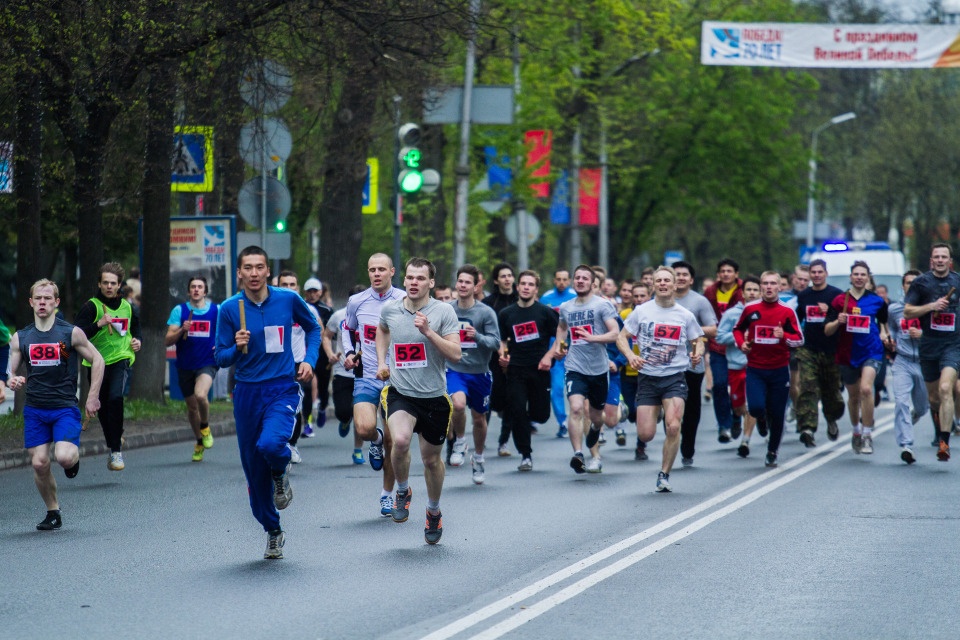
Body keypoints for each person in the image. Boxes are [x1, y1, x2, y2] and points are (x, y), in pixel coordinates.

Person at [215, 246, 321, 559]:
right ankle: (273, 530)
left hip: (282, 387)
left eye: (259, 267)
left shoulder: (287, 299)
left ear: (267, 271)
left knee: (272, 444)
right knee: (253, 476)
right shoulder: (229, 309)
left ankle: (280, 472)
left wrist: (309, 359)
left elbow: (313, 327)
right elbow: (220, 358)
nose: (254, 273)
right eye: (247, 267)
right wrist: (236, 347)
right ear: (239, 273)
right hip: (247, 393)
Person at [6, 279, 105, 530]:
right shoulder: (21, 337)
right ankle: (53, 511)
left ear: (56, 303)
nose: (42, 302)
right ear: (30, 302)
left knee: (63, 457)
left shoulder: (69, 333)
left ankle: (72, 460)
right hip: (36, 409)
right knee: (39, 463)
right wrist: (12, 379)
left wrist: (92, 396)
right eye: (38, 298)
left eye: (48, 298)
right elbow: (10, 370)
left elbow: (98, 360)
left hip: (64, 407)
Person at [376, 257, 460, 545]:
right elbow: (382, 329)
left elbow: (456, 354)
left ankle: (433, 511)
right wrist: (381, 361)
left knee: (431, 459)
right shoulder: (391, 310)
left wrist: (428, 332)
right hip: (401, 392)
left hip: (434, 397)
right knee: (399, 441)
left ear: (431, 283)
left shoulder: (443, 311)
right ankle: (402, 489)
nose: (413, 282)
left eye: (420, 278)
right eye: (410, 277)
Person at [616, 266, 704, 492]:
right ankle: (660, 410)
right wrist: (630, 355)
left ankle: (664, 474)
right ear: (653, 285)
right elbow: (621, 337)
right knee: (646, 434)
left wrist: (697, 352)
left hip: (674, 377)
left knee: (674, 427)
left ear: (675, 285)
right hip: (647, 378)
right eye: (659, 281)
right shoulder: (642, 311)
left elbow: (698, 340)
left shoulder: (685, 315)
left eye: (667, 280)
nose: (663, 284)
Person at [341, 253, 406, 516]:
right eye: (372, 270)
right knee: (364, 428)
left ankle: (387, 495)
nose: (376, 274)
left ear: (392, 272)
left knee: (394, 440)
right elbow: (348, 329)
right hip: (366, 373)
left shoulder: (404, 300)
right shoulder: (357, 301)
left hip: (398, 379)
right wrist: (348, 353)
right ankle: (374, 440)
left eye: (381, 269)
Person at [549, 264, 620, 473]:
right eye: (577, 278)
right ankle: (578, 454)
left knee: (597, 417)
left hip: (598, 369)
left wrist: (592, 338)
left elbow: (615, 333)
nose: (580, 281)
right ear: (573, 281)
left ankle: (597, 429)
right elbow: (562, 328)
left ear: (592, 283)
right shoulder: (566, 307)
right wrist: (560, 348)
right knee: (577, 408)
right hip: (574, 366)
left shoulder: (602, 306)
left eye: (584, 278)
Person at [74, 262, 142, 471]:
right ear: (99, 284)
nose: (109, 287)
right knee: (101, 406)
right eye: (105, 283)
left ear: (119, 284)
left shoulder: (128, 307)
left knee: (115, 397)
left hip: (121, 358)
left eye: (113, 283)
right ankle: (114, 440)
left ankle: (116, 452)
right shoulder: (90, 306)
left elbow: (136, 329)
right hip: (96, 363)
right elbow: (76, 335)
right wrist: (98, 324)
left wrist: (138, 341)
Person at [733, 271, 804, 468]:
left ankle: (772, 451)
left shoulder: (787, 311)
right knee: (755, 407)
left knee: (778, 413)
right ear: (761, 286)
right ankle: (761, 417)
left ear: (779, 287)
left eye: (773, 283)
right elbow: (737, 330)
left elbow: (799, 339)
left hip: (779, 369)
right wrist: (742, 344)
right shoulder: (750, 309)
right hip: (756, 368)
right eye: (765, 283)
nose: (769, 287)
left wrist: (783, 335)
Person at [824, 261, 889, 455]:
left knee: (866, 389)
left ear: (868, 277)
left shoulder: (877, 301)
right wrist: (838, 321)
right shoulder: (838, 301)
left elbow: (884, 324)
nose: (859, 277)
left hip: (871, 351)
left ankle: (868, 434)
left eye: (863, 274)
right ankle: (856, 431)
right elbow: (827, 330)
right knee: (853, 397)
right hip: (847, 354)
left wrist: (885, 335)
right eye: (856, 274)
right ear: (850, 277)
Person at [903, 242, 960, 462]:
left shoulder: (957, 281)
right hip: (929, 345)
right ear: (931, 261)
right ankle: (940, 424)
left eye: (943, 257)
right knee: (934, 398)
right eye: (936, 257)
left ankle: (944, 442)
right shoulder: (921, 283)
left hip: (953, 345)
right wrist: (931, 307)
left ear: (950, 261)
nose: (939, 260)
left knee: (947, 387)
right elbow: (908, 312)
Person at [498, 270, 560, 471]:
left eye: (530, 284)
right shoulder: (507, 314)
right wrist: (503, 354)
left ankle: (534, 420)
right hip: (516, 369)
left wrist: (550, 356)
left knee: (540, 414)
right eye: (523, 283)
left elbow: (562, 339)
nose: (526, 287)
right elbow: (502, 340)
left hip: (539, 369)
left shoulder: (545, 312)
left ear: (536, 289)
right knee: (517, 411)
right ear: (517, 287)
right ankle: (525, 454)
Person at [445, 264, 500, 484]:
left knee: (479, 419)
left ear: (476, 286)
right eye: (460, 281)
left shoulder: (485, 312)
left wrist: (476, 336)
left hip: (480, 372)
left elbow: (495, 343)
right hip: (455, 368)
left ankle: (478, 458)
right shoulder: (447, 310)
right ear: (456, 283)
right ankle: (459, 441)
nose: (463, 285)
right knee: (457, 405)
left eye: (468, 282)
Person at [164, 275, 219, 462]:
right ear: (189, 291)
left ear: (205, 291)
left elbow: (227, 332)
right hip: (185, 365)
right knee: (192, 407)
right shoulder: (179, 311)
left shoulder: (216, 311)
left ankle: (205, 427)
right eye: (193, 287)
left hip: (207, 362)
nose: (196, 289)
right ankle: (199, 441)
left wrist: (221, 345)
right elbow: (167, 340)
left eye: (200, 287)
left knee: (201, 395)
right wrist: (181, 330)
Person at [672, 261, 718, 466]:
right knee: (669, 405)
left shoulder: (699, 302)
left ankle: (688, 446)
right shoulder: (661, 300)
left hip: (692, 363)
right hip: (666, 363)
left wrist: (691, 327)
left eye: (685, 274)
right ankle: (672, 435)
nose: (681, 277)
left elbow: (713, 329)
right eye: (677, 274)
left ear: (691, 279)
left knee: (690, 408)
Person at [795, 258, 845, 445]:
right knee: (808, 387)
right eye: (813, 272)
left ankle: (831, 419)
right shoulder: (804, 296)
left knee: (831, 391)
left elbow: (842, 321)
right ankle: (807, 428)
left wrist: (829, 312)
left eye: (819, 272)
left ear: (826, 273)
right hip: (809, 348)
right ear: (809, 275)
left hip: (831, 350)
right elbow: (795, 319)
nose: (816, 275)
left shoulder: (836, 295)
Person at [277, 271, 323, 464]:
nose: (289, 288)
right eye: (284, 285)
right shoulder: (271, 307)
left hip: (297, 363)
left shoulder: (306, 308)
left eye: (292, 284)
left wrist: (309, 360)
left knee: (295, 406)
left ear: (298, 287)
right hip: (275, 364)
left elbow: (317, 329)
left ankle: (292, 444)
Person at [716, 276, 763, 457]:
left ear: (760, 292)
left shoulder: (765, 312)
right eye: (748, 290)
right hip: (736, 365)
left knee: (752, 404)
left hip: (756, 365)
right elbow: (719, 337)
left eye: (755, 290)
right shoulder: (731, 314)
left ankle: (745, 440)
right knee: (738, 405)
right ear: (742, 293)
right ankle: (736, 417)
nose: (752, 293)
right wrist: (739, 338)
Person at [323, 284, 367, 464]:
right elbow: (326, 336)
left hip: (365, 373)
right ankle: (344, 420)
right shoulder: (339, 316)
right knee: (343, 412)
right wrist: (330, 355)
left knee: (361, 415)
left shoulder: (374, 316)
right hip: (342, 371)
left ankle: (358, 450)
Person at [887, 270, 927, 464]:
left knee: (923, 407)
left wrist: (922, 335)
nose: (911, 286)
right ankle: (906, 445)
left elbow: (940, 335)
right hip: (902, 361)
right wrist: (891, 341)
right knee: (901, 402)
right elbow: (892, 329)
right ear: (903, 286)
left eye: (915, 282)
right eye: (908, 282)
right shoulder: (895, 309)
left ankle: (916, 414)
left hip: (924, 362)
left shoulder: (929, 308)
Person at [704, 258, 744, 443]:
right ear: (718, 274)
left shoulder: (745, 291)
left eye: (730, 271)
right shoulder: (710, 292)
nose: (726, 274)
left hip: (740, 347)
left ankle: (737, 415)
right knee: (719, 385)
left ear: (736, 274)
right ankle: (724, 426)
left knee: (740, 387)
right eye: (723, 271)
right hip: (717, 346)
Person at [483, 262, 519, 454]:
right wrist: (499, 351)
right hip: (492, 358)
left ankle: (503, 442)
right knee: (489, 399)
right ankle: (482, 434)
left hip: (517, 356)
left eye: (509, 275)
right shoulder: (489, 304)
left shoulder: (520, 300)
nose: (507, 279)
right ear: (496, 280)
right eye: (503, 276)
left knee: (512, 400)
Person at [540, 269, 576, 438]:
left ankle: (583, 420)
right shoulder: (546, 299)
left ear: (569, 281)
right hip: (554, 350)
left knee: (578, 389)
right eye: (558, 279)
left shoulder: (576, 297)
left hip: (576, 349)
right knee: (557, 388)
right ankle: (562, 422)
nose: (561, 282)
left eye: (564, 279)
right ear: (554, 280)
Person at [302, 278, 333, 436]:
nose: (313, 294)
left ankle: (322, 408)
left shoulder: (326, 310)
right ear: (305, 292)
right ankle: (307, 421)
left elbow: (330, 333)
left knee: (323, 387)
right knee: (308, 385)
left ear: (320, 292)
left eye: (315, 291)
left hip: (322, 354)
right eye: (310, 291)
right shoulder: (298, 306)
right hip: (305, 353)